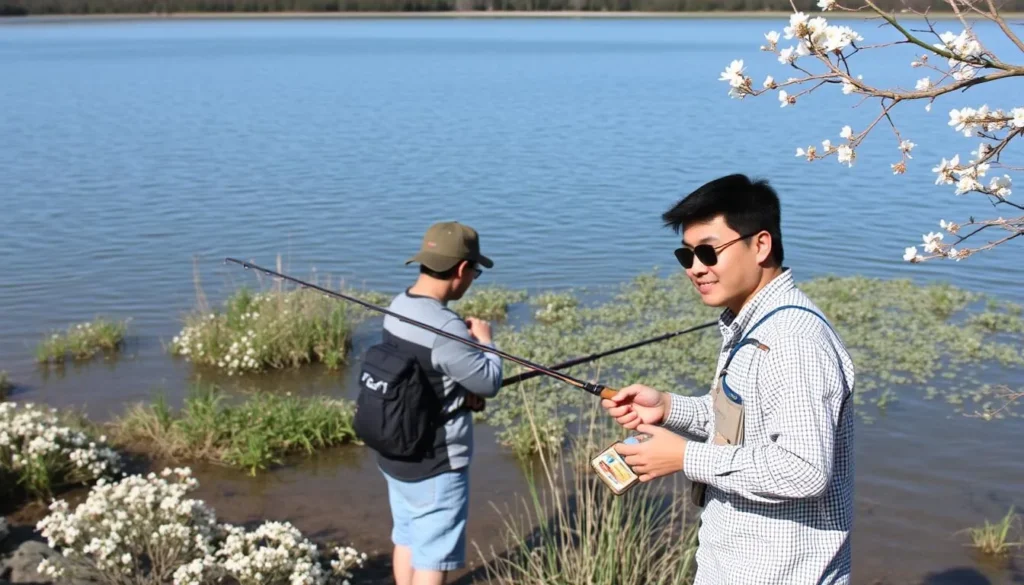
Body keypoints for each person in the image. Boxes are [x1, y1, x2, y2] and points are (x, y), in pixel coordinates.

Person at [603, 174, 855, 585]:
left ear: (760, 245)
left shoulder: (793, 340)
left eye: (708, 252)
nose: (696, 269)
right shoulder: (752, 325)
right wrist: (668, 406)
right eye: (686, 256)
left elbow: (804, 469)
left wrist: (686, 458)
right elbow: (741, 424)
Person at [377, 220, 503, 585]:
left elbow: (420, 376)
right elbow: (490, 381)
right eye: (475, 273)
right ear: (462, 270)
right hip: (436, 461)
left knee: (406, 536)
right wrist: (485, 342)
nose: (472, 279)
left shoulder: (399, 304)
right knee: (435, 557)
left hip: (395, 450)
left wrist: (461, 393)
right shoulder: (445, 327)